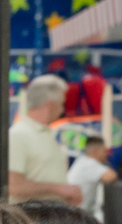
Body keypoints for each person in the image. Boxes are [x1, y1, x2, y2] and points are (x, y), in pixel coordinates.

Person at [7, 75, 83, 206]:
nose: (62, 110)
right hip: (31, 216)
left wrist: (65, 194)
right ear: (50, 104)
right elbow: (13, 186)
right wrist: (58, 189)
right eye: (62, 103)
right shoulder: (18, 134)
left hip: (51, 214)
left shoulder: (48, 134)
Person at [67, 136, 118, 220]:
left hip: (75, 212)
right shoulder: (90, 164)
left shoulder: (82, 160)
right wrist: (110, 162)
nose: (106, 154)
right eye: (104, 151)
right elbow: (111, 176)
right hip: (78, 215)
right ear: (95, 152)